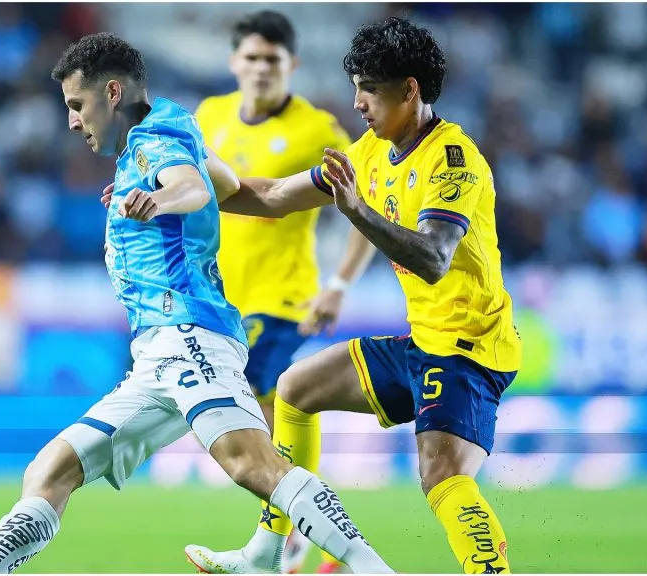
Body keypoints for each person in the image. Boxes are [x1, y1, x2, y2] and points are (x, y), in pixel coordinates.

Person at [0, 32, 393, 575]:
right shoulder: (174, 124)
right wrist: (318, 183)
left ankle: (372, 569)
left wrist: (158, 199)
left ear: (112, 92)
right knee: (52, 468)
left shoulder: (151, 142)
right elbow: (235, 187)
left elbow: (189, 187)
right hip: (156, 356)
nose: (73, 121)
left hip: (187, 335)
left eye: (77, 105)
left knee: (250, 464)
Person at [186, 17, 521, 574]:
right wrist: (185, 190)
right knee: (295, 388)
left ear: (409, 89)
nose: (358, 102)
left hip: (469, 349)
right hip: (424, 340)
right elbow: (270, 195)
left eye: (369, 87)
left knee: (441, 476)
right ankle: (271, 552)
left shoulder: (452, 159)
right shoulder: (368, 153)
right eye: (356, 86)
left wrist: (358, 212)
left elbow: (436, 258)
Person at [194, 11, 377, 573]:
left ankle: (286, 540)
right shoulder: (209, 115)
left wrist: (340, 283)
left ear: (291, 65)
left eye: (272, 59)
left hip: (284, 298)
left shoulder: (317, 129)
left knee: (258, 405)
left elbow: (364, 205)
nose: (260, 69)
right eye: (250, 58)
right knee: (275, 414)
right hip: (219, 297)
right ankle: (317, 539)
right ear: (233, 63)